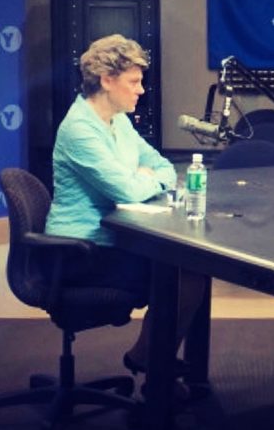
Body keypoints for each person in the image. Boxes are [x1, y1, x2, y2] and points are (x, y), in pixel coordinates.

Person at [45, 33, 205, 398]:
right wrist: (140, 179)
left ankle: (148, 356)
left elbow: (164, 168)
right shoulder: (79, 130)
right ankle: (153, 366)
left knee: (190, 269)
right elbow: (129, 191)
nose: (142, 90)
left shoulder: (118, 121)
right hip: (79, 252)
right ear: (106, 80)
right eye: (134, 81)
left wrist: (145, 177)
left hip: (110, 241)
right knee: (183, 273)